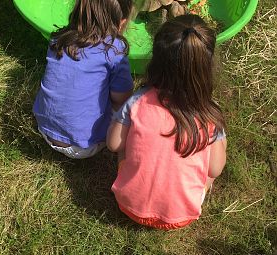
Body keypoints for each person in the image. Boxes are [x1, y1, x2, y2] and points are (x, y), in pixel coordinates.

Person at [107, 14, 227, 230]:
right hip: (181, 217)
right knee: (216, 149)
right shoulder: (210, 114)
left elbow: (114, 144)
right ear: (205, 67)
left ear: (156, 59)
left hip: (128, 205)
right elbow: (215, 169)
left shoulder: (139, 99)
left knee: (124, 149)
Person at [33, 0, 134, 159]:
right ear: (121, 23)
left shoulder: (59, 38)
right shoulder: (115, 50)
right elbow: (122, 98)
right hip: (83, 146)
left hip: (44, 127)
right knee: (127, 105)